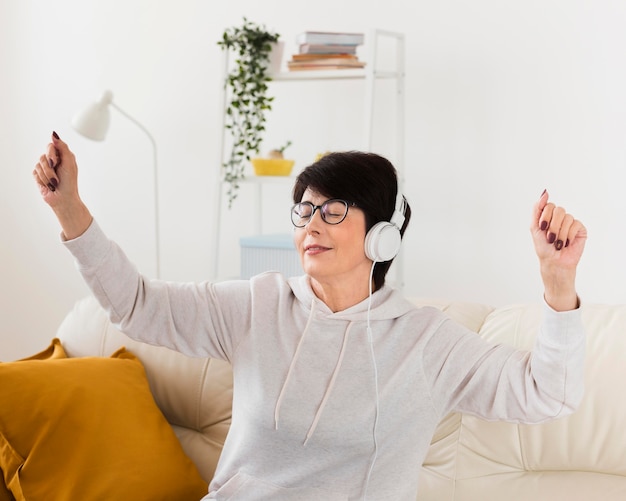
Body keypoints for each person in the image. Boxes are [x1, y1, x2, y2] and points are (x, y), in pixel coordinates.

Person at [34, 132, 587, 501]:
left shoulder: (427, 344)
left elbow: (548, 393)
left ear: (382, 234)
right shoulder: (259, 305)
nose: (310, 226)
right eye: (304, 210)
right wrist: (70, 210)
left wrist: (557, 282)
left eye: (332, 210)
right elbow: (138, 307)